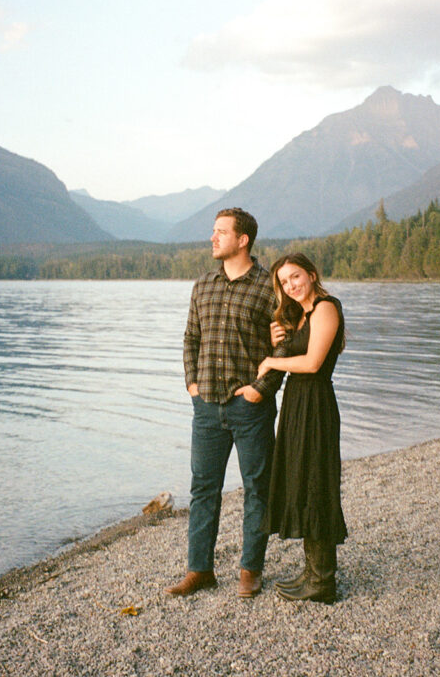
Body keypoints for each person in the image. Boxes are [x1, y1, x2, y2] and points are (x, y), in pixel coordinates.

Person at [165, 208, 285, 598]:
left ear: (243, 239)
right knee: (203, 489)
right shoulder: (202, 285)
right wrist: (192, 384)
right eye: (213, 231)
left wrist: (260, 390)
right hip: (206, 407)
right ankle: (199, 570)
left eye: (221, 232)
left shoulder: (270, 287)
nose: (213, 238)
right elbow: (190, 340)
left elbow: (283, 346)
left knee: (257, 489)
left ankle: (251, 570)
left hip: (250, 407)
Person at [256, 252, 347, 603]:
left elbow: (312, 362)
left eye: (295, 277)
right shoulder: (302, 314)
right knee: (303, 481)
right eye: (283, 282)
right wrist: (277, 335)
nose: (290, 286)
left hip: (316, 404)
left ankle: (323, 581)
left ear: (311, 274)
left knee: (317, 483)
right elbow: (293, 353)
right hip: (298, 403)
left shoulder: (326, 307)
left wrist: (268, 361)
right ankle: (312, 572)